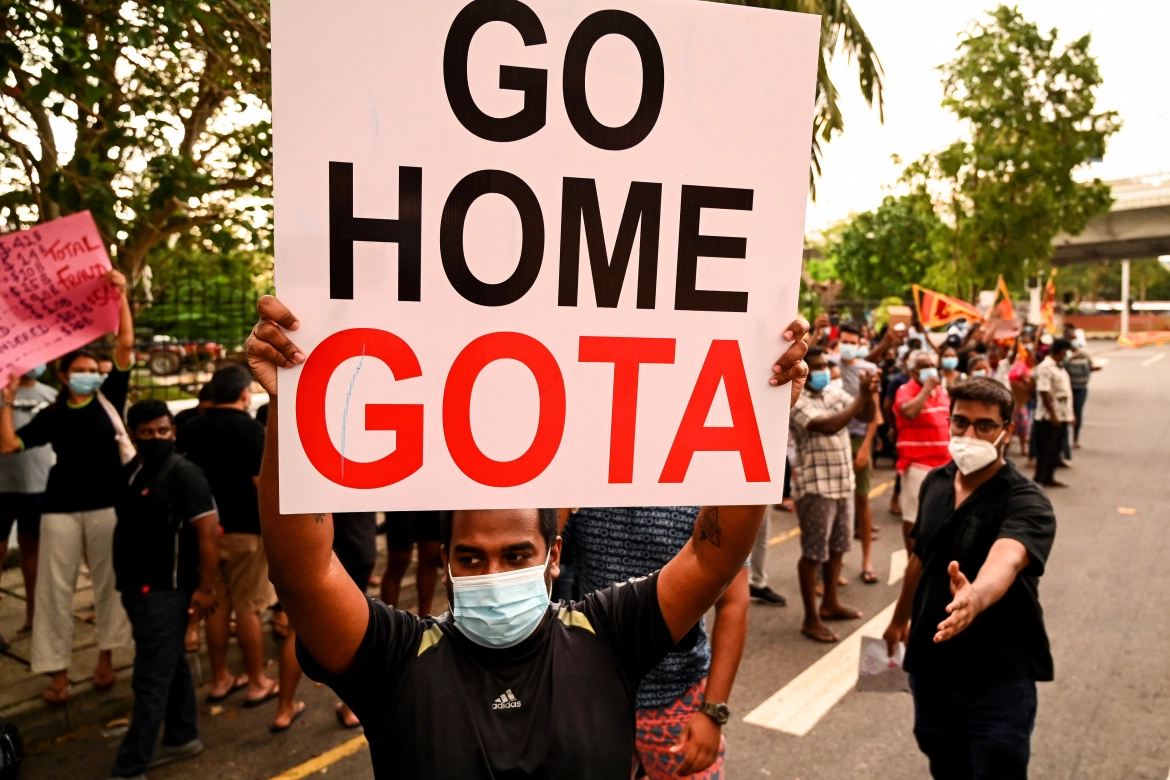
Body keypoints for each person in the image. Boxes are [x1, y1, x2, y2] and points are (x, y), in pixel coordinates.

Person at [242, 295, 809, 777]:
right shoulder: (397, 657)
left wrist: (758, 415)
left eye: (516, 554)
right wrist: (292, 409)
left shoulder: (608, 634)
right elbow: (304, 573)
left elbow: (713, 558)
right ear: (446, 566)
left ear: (553, 554)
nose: (494, 573)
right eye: (471, 557)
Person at [883, 378, 1056, 780]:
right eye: (960, 422)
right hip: (931, 670)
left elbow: (1008, 559)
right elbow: (920, 557)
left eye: (984, 426)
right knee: (944, 763)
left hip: (997, 678)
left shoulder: (1026, 500)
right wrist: (897, 619)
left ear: (1006, 431)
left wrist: (975, 596)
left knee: (997, 769)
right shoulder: (935, 482)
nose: (969, 434)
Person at [0, 269, 134, 704]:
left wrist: (122, 298)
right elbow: (9, 444)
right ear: (63, 375)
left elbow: (126, 346)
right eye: (81, 370)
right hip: (59, 508)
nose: (90, 375)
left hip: (107, 507)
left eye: (95, 369)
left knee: (109, 584)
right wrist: (7, 398)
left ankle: (106, 658)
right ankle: (56, 673)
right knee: (54, 592)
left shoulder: (108, 398)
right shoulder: (53, 414)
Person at [567, 507, 750, 778]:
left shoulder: (698, 491)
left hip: (677, 700)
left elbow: (734, 603)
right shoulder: (579, 493)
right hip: (592, 699)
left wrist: (712, 712)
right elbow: (541, 559)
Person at [109, 400, 220, 778]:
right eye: (148, 432)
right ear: (132, 434)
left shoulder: (183, 473)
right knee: (169, 664)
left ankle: (129, 766)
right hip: (137, 589)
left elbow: (208, 534)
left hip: (166, 592)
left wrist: (206, 589)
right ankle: (182, 735)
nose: (158, 438)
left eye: (164, 431)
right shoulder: (132, 472)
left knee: (150, 678)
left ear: (174, 430)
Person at [179, 364, 278, 706]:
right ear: (243, 395)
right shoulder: (252, 430)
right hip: (247, 532)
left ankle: (220, 679)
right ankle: (256, 681)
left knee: (215, 606)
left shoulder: (189, 428)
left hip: (204, 533)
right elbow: (260, 483)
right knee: (249, 608)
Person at [788, 346, 877, 642]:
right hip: (815, 486)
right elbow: (829, 426)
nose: (822, 371)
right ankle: (810, 619)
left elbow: (864, 416)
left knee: (838, 546)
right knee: (813, 552)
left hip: (842, 482)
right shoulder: (796, 400)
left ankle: (830, 603)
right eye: (815, 367)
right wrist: (862, 396)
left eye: (824, 365)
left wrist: (868, 394)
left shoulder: (834, 394)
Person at [0, 364, 56, 641]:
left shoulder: (51, 396)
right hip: (2, 488)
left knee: (32, 552)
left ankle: (34, 615)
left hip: (38, 488)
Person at [893, 351, 952, 551]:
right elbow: (909, 412)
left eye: (931, 365)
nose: (929, 370)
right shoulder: (906, 390)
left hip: (944, 464)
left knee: (941, 515)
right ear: (912, 371)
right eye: (923, 366)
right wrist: (926, 389)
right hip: (918, 465)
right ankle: (913, 559)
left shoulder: (941, 391)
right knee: (913, 516)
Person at [836, 323, 880, 584]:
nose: (847, 345)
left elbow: (875, 414)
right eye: (843, 340)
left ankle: (866, 559)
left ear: (860, 342)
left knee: (862, 500)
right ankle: (835, 566)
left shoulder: (869, 369)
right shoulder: (827, 363)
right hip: (835, 436)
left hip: (859, 437)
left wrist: (866, 447)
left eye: (852, 341)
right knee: (838, 505)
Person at [380, 511, 444, 618]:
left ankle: (425, 620)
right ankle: (388, 621)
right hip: (402, 503)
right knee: (399, 561)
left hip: (432, 502)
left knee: (430, 558)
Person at [1031, 339, 1074, 488]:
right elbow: (1044, 391)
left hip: (1062, 414)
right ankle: (1039, 479)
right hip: (1048, 417)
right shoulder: (1045, 368)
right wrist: (1053, 414)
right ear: (1060, 351)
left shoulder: (1059, 367)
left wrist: (1070, 415)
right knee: (1045, 449)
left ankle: (1049, 477)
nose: (1066, 355)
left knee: (1056, 448)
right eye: (1065, 352)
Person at [1061, 338, 1097, 451]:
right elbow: (1061, 367)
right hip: (1069, 388)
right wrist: (1070, 358)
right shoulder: (1066, 356)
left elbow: (1091, 367)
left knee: (1078, 411)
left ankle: (1075, 438)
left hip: (1081, 387)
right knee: (1067, 412)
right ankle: (1065, 439)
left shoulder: (1085, 356)